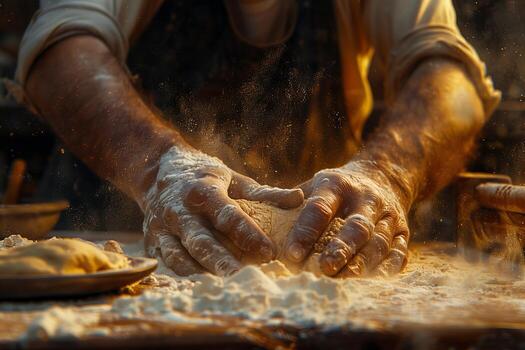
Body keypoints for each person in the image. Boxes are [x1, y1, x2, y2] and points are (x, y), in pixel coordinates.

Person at [9, 0, 500, 277]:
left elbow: (451, 82)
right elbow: (60, 49)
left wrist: (387, 173)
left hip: (310, 271)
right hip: (114, 258)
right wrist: (161, 167)